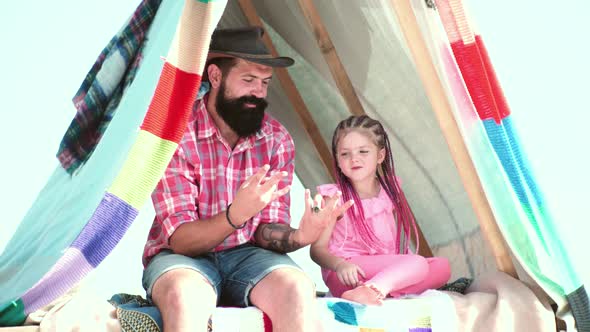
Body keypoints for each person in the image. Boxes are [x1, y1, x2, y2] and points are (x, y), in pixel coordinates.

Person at [141, 26, 352, 332]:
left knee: (297, 287)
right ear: (215, 77)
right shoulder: (176, 134)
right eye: (249, 80)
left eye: (265, 83)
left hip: (250, 255)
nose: (259, 92)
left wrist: (299, 237)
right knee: (183, 295)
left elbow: (267, 232)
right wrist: (235, 215)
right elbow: (181, 240)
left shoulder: (276, 139)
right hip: (181, 258)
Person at [310, 115, 451, 305]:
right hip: (348, 272)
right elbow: (317, 250)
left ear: (380, 155)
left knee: (442, 267)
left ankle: (375, 291)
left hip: (383, 269)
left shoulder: (389, 191)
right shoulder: (334, 197)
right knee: (417, 264)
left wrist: (399, 266)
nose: (354, 159)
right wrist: (340, 265)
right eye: (345, 154)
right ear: (337, 159)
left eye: (363, 151)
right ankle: (375, 291)